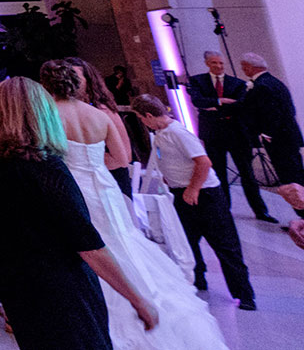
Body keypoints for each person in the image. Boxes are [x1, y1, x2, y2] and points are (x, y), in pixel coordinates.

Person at [40, 60, 225, 348]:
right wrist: (92, 165)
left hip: (73, 188)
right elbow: (123, 159)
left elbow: (44, 157)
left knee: (86, 246)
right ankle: (143, 300)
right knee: (121, 241)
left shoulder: (49, 115)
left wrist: (73, 167)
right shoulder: (100, 114)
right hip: (104, 186)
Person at [0, 77, 156, 350]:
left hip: (13, 278)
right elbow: (87, 244)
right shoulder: (44, 164)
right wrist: (137, 299)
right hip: (58, 284)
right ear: (41, 112)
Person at [131, 94, 254, 310]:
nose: (143, 122)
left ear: (149, 115)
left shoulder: (178, 132)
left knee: (224, 244)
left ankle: (244, 294)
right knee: (187, 241)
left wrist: (193, 189)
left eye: (142, 118)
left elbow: (203, 162)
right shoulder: (160, 133)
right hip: (180, 193)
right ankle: (198, 280)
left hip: (204, 194)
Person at [186, 51, 272, 220]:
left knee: (247, 173)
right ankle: (224, 209)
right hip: (213, 134)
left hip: (237, 133)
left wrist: (213, 107)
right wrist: (221, 101)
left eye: (221, 63)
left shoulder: (238, 84)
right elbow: (198, 101)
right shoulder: (197, 81)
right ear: (207, 64)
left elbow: (240, 104)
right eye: (214, 63)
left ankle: (260, 211)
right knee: (218, 172)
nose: (218, 66)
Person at [68, 57, 138, 199]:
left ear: (89, 81)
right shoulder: (67, 111)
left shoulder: (103, 110)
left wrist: (86, 158)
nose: (71, 82)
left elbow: (126, 155)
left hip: (111, 180)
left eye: (75, 76)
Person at [238, 52, 304, 192]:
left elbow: (272, 114)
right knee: (297, 173)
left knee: (289, 177)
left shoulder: (261, 86)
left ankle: (301, 208)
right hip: (289, 137)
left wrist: (266, 134)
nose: (243, 70)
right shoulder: (274, 81)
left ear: (249, 67)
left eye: (244, 66)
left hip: (279, 140)